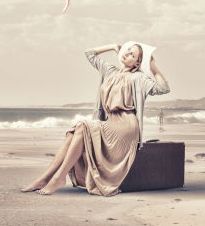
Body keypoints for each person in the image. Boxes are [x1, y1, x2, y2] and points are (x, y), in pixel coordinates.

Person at [20, 42, 171, 196]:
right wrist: (112, 46)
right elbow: (89, 53)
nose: (127, 54)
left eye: (132, 54)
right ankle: (45, 178)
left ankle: (58, 177)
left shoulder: (138, 77)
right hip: (111, 122)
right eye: (127, 50)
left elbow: (163, 88)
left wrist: (152, 65)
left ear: (138, 63)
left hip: (126, 126)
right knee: (73, 132)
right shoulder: (110, 71)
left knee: (83, 126)